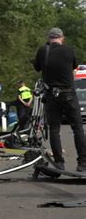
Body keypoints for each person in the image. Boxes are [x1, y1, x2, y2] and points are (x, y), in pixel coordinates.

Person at [34, 27, 86, 171]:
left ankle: (59, 163)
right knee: (78, 129)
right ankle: (82, 163)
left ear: (48, 38)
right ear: (62, 38)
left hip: (52, 95)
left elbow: (37, 67)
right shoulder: (69, 51)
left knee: (54, 129)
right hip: (69, 94)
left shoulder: (43, 50)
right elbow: (74, 66)